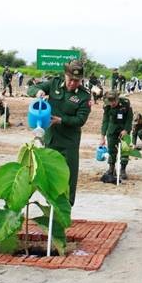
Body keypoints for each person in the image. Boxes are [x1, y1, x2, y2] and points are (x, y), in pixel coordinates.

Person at [28, 61, 91, 205]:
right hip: (51, 139)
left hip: (69, 143)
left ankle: (66, 207)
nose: (72, 83)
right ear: (65, 75)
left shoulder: (84, 96)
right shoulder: (54, 84)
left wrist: (61, 120)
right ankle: (50, 205)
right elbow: (32, 88)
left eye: (77, 81)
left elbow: (80, 120)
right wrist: (38, 92)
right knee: (51, 174)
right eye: (70, 79)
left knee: (69, 176)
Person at [101, 91, 133, 183]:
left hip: (124, 129)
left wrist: (126, 130)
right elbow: (105, 121)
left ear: (117, 99)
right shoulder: (107, 106)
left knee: (125, 150)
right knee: (111, 150)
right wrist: (102, 136)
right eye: (110, 101)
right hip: (112, 130)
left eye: (114, 101)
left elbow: (129, 119)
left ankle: (123, 169)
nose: (112, 103)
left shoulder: (125, 104)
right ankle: (111, 168)